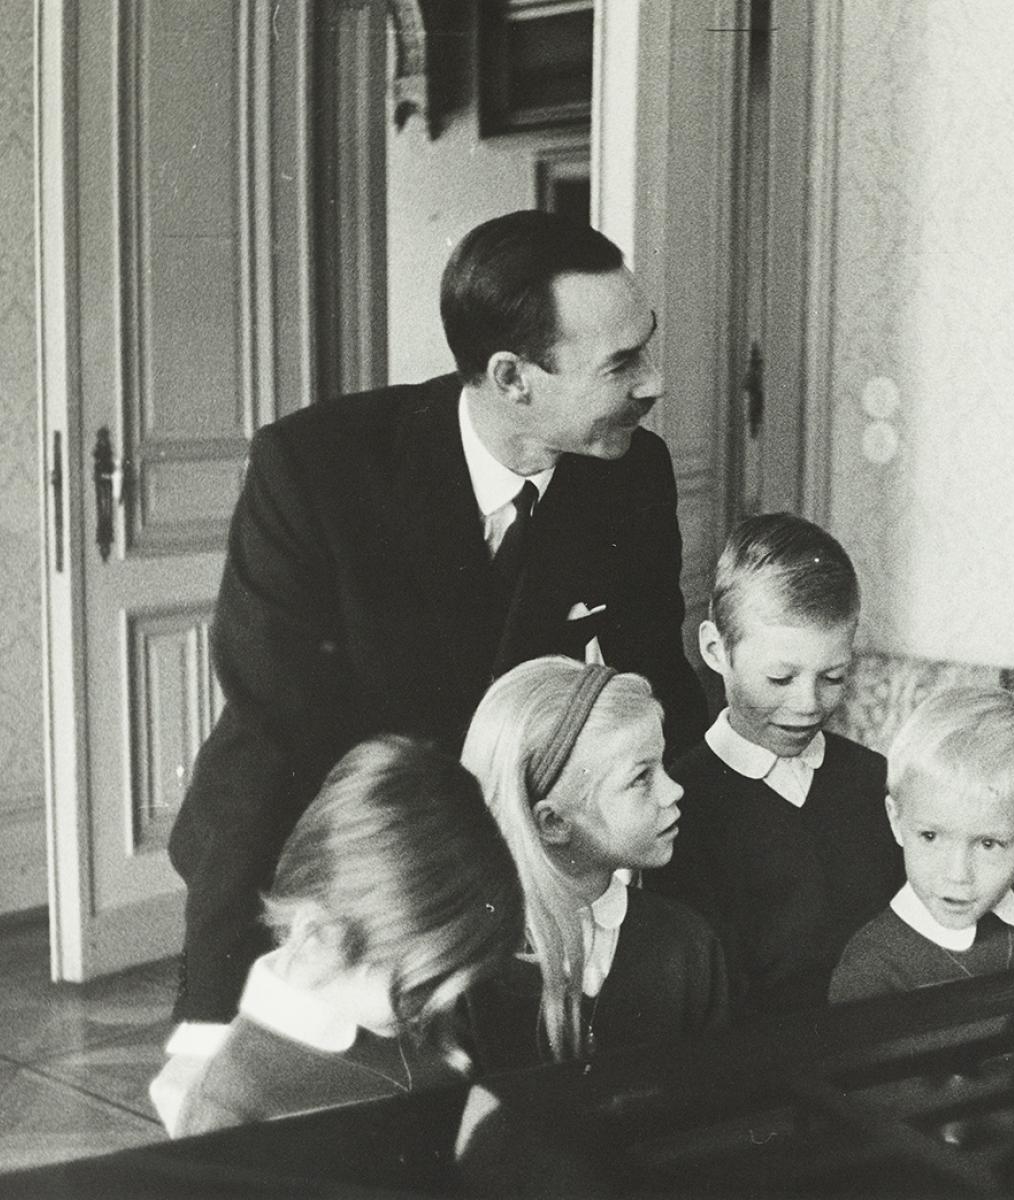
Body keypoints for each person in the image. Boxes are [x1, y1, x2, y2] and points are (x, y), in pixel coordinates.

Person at [168, 210, 707, 1024]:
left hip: (523, 854)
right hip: (329, 843)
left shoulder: (631, 477)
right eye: (622, 363)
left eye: (648, 345)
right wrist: (212, 1022)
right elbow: (278, 741)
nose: (655, 382)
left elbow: (653, 685)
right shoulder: (316, 470)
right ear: (512, 377)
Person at [161, 736, 522, 1137]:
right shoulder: (230, 1103)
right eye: (421, 986)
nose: (442, 1005)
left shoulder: (410, 1021)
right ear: (318, 935)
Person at [650, 513, 903, 1017]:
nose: (808, 704)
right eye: (780, 678)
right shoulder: (674, 805)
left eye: (833, 676)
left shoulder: (877, 781)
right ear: (715, 651)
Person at [458, 656, 728, 1069]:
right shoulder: (470, 972)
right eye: (641, 777)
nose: (673, 789)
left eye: (662, 764)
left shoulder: (686, 946)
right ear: (552, 822)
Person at [829, 687, 1014, 1003]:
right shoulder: (872, 969)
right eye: (930, 837)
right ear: (896, 821)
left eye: (988, 844)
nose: (957, 875)